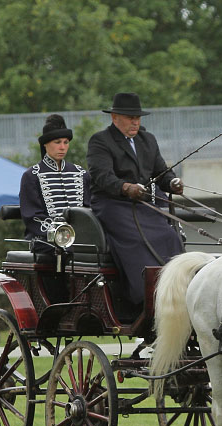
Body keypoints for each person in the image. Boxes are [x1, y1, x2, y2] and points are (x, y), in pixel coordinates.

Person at [86, 92, 184, 309]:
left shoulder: (147, 140)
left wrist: (172, 182)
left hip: (142, 202)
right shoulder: (100, 141)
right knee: (138, 240)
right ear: (114, 118)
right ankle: (144, 295)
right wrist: (125, 187)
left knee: (169, 235)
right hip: (112, 203)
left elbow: (161, 171)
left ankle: (178, 287)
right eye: (130, 117)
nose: (135, 122)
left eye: (138, 118)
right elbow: (101, 176)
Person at [19, 114, 90, 252]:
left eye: (66, 142)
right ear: (45, 144)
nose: (62, 147)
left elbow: (89, 209)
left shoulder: (81, 173)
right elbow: (32, 216)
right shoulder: (32, 176)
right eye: (57, 142)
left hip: (80, 238)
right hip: (46, 240)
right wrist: (61, 234)